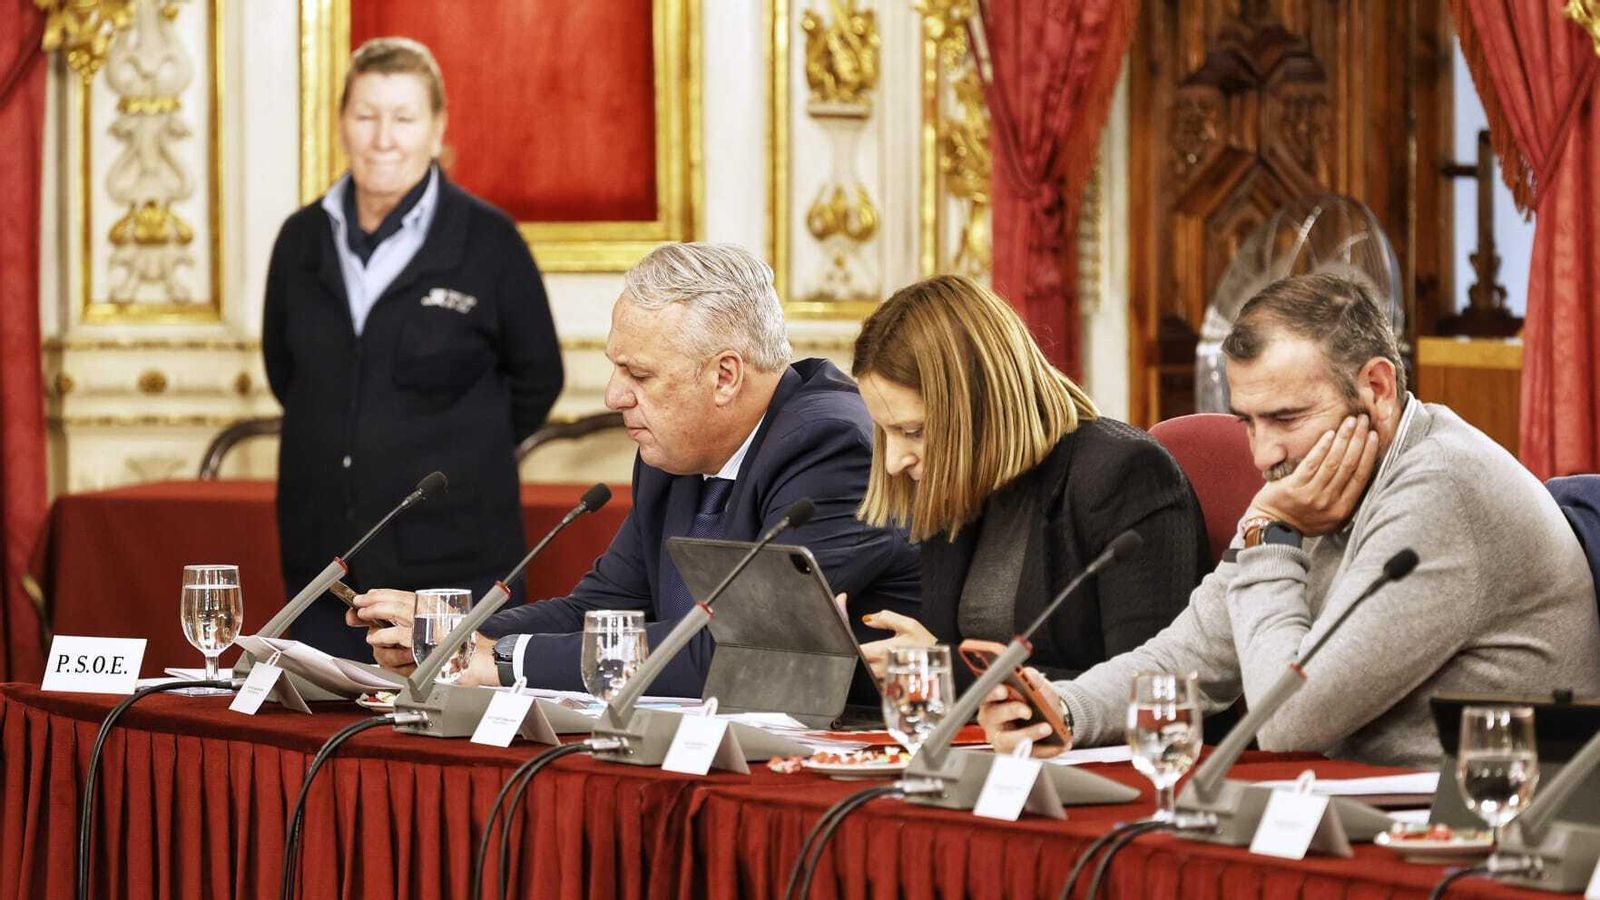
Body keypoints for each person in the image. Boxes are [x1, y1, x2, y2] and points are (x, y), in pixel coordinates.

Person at [978, 273, 1600, 768]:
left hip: (1496, 828)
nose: (1261, 454)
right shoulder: (1311, 486)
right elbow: (1193, 654)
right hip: (1374, 807)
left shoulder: (1443, 487)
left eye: (1285, 418)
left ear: (1378, 388)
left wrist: (1271, 537)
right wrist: (1063, 706)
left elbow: (1287, 721)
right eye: (1247, 420)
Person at [348, 242, 921, 696]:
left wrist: (500, 659)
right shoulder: (674, 450)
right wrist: (457, 634)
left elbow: (745, 643)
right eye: (615, 368)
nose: (615, 395)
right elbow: (600, 609)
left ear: (724, 376)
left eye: (640, 375)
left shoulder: (833, 446)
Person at [263, 37, 563, 661]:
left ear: (436, 129)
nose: (383, 138)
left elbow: (539, 379)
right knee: (318, 746)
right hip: (326, 576)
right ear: (342, 123)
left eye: (403, 119)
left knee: (447, 748)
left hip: (457, 571)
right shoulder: (300, 239)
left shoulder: (490, 242)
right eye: (367, 116)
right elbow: (285, 372)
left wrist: (454, 454)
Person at [846, 274, 1207, 687]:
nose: (893, 462)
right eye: (885, 432)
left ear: (980, 406)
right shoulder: (958, 485)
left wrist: (944, 670)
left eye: (914, 432)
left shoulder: (1126, 474)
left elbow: (1149, 688)